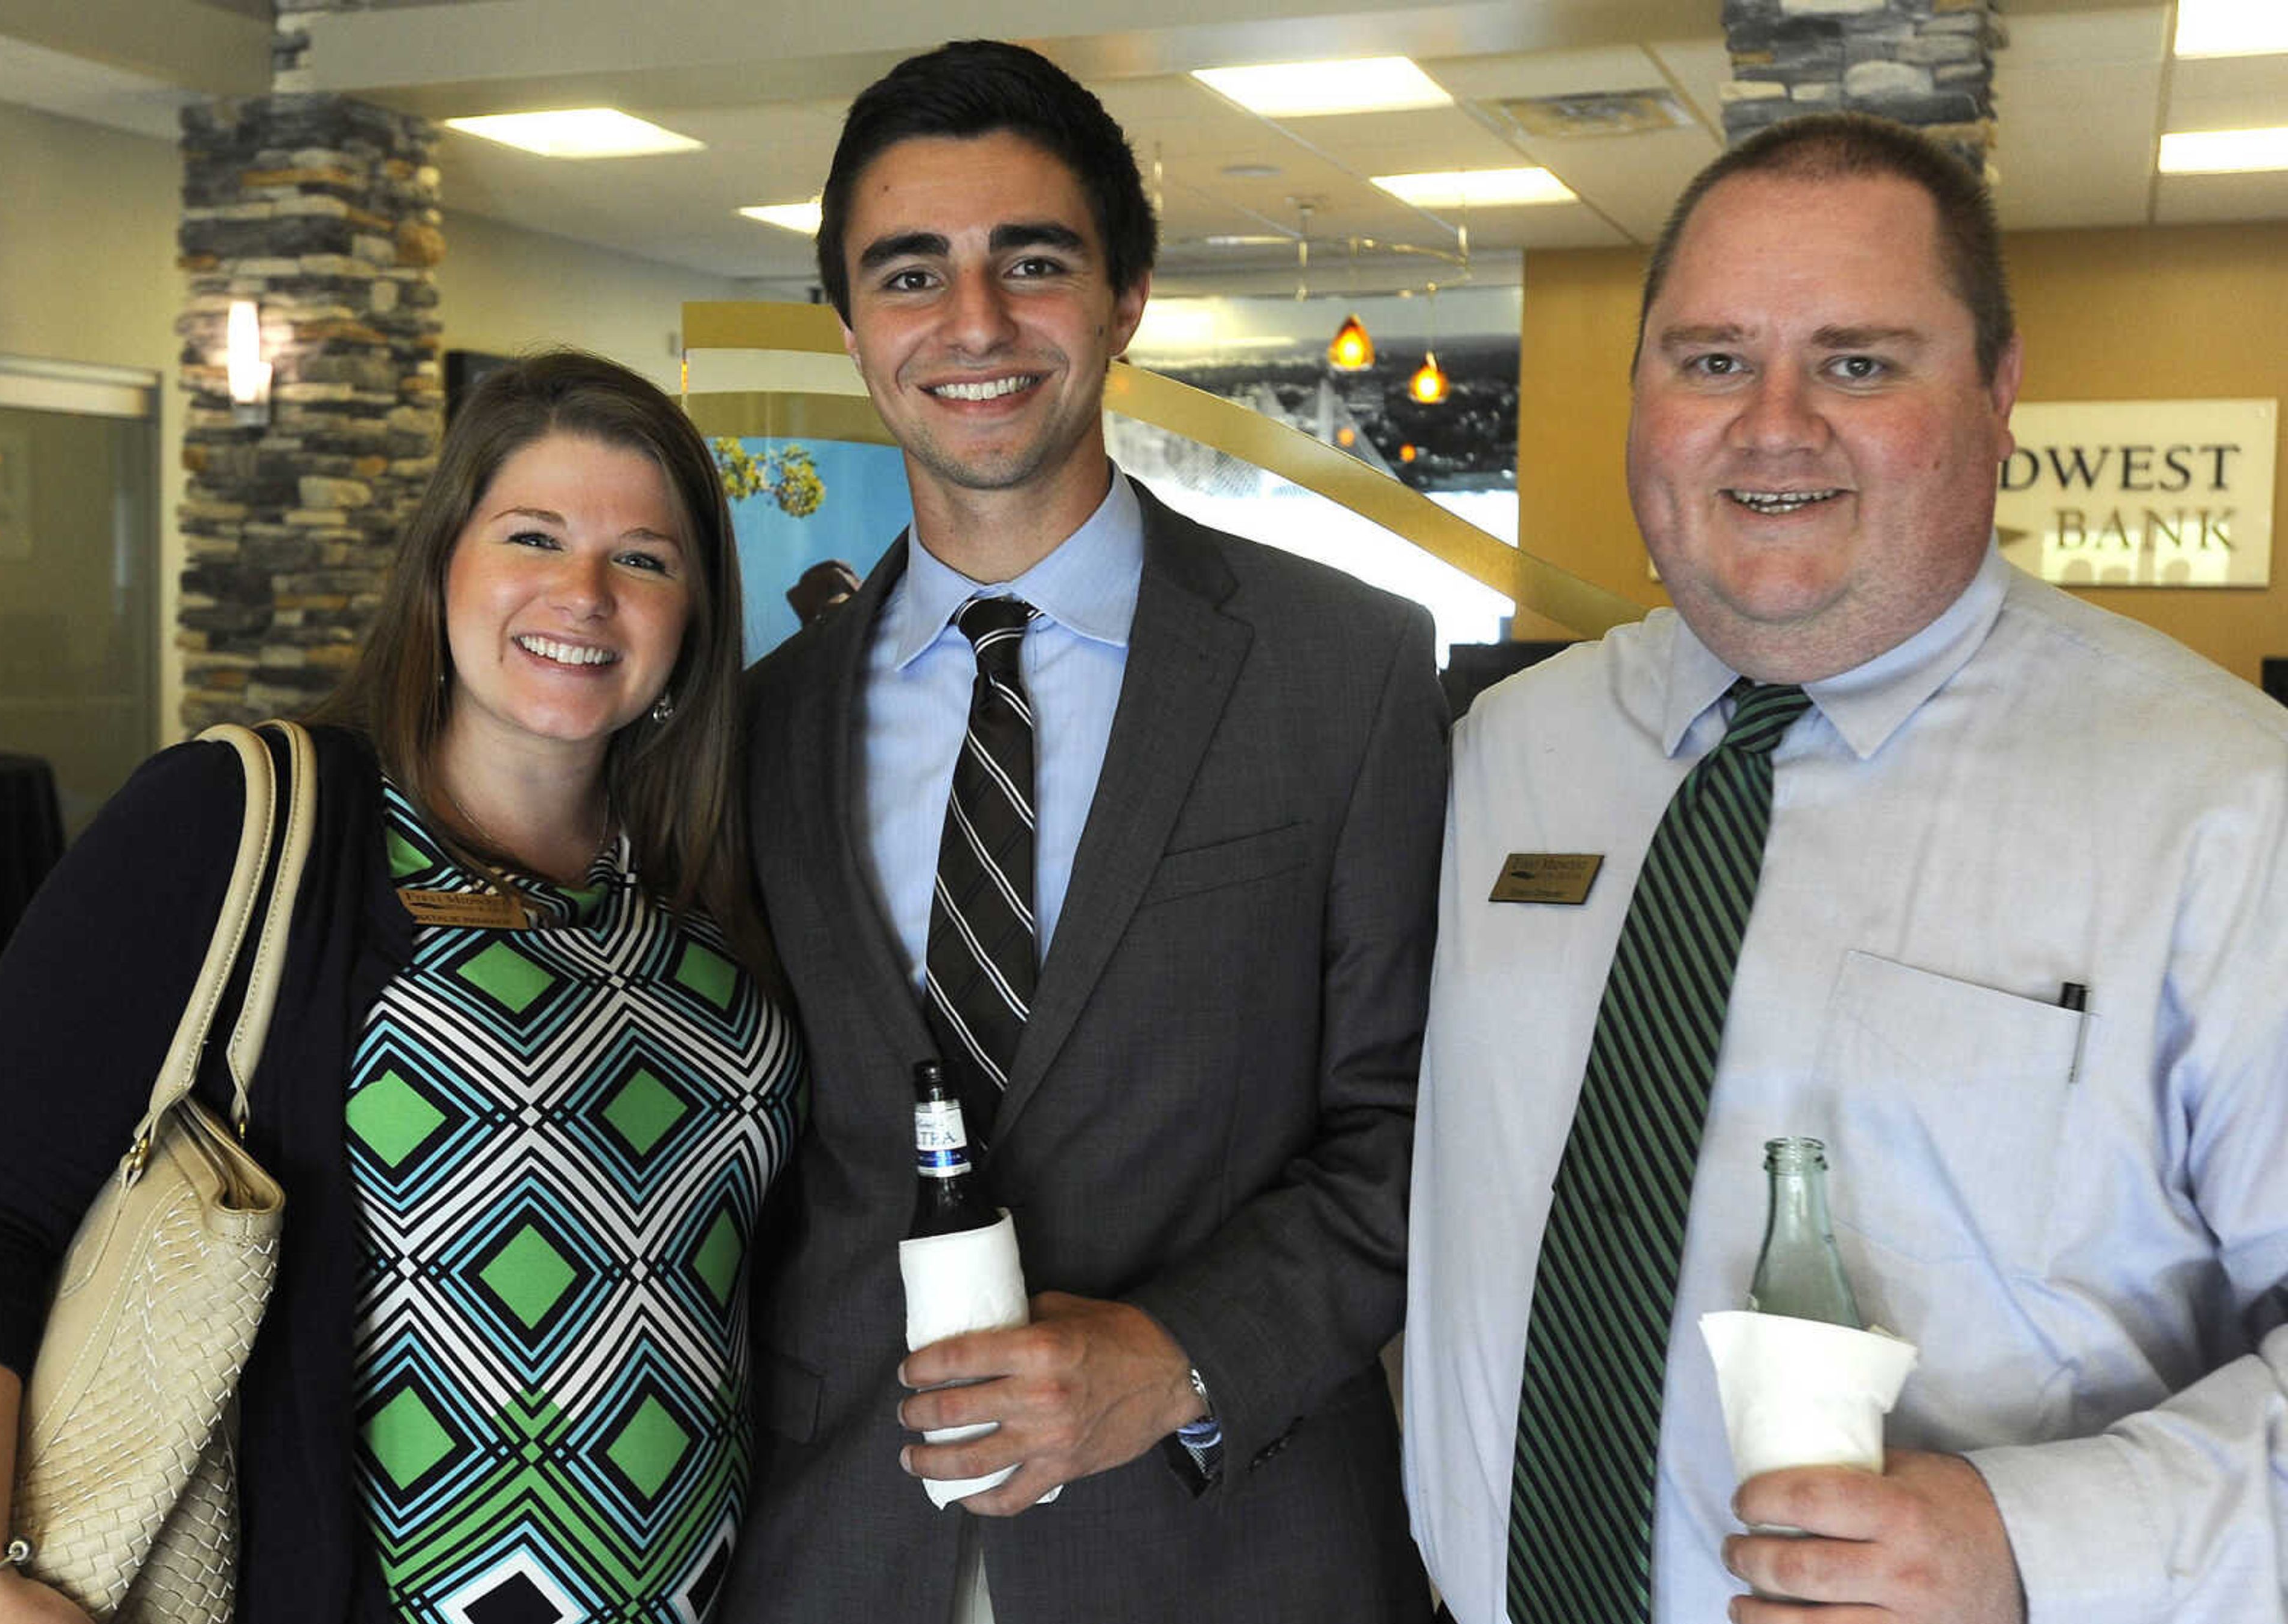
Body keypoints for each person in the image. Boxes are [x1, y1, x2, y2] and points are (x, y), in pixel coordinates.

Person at [1402, 110, 2288, 1624]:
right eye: (1712, 359)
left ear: (2002, 395)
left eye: (1860, 362)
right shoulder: (1503, 755)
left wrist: (2035, 1543)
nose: (1775, 424)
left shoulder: (2224, 806)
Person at [727, 39, 1445, 1624]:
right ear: (850, 326)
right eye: (910, 274)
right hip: (840, 1553)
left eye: (1032, 262)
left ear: (1127, 297)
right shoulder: (757, 726)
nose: (973, 324)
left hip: (1231, 1547)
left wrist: (1180, 1353)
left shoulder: (1352, 671)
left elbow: (1421, 1127)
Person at [0, 350, 802, 1622]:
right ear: (442, 569)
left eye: (645, 557)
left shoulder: (708, 887)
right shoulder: (247, 815)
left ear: (694, 618)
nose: (584, 593)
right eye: (534, 535)